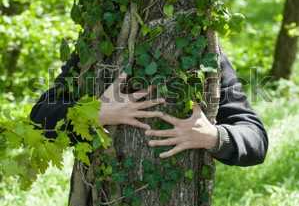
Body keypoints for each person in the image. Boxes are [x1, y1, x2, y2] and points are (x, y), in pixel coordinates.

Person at [30, 45, 268, 167]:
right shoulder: (97, 44)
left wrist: (214, 136)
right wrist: (96, 113)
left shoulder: (205, 51)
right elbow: (39, 118)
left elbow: (256, 139)